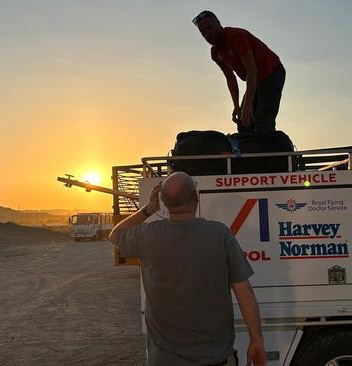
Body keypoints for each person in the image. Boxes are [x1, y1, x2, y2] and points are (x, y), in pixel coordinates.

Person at [109, 172, 266, 366]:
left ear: (163, 203)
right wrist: (256, 340)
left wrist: (148, 210)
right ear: (196, 196)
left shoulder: (148, 236)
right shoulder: (219, 234)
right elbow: (245, 295)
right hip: (216, 360)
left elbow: (115, 236)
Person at [193, 10, 285, 135]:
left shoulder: (235, 37)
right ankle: (249, 151)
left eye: (209, 27)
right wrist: (237, 106)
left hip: (271, 72)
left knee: (262, 121)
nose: (207, 34)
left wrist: (248, 105)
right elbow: (230, 78)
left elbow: (252, 70)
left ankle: (274, 150)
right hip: (255, 79)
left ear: (218, 24)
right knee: (244, 123)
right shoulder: (215, 53)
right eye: (202, 31)